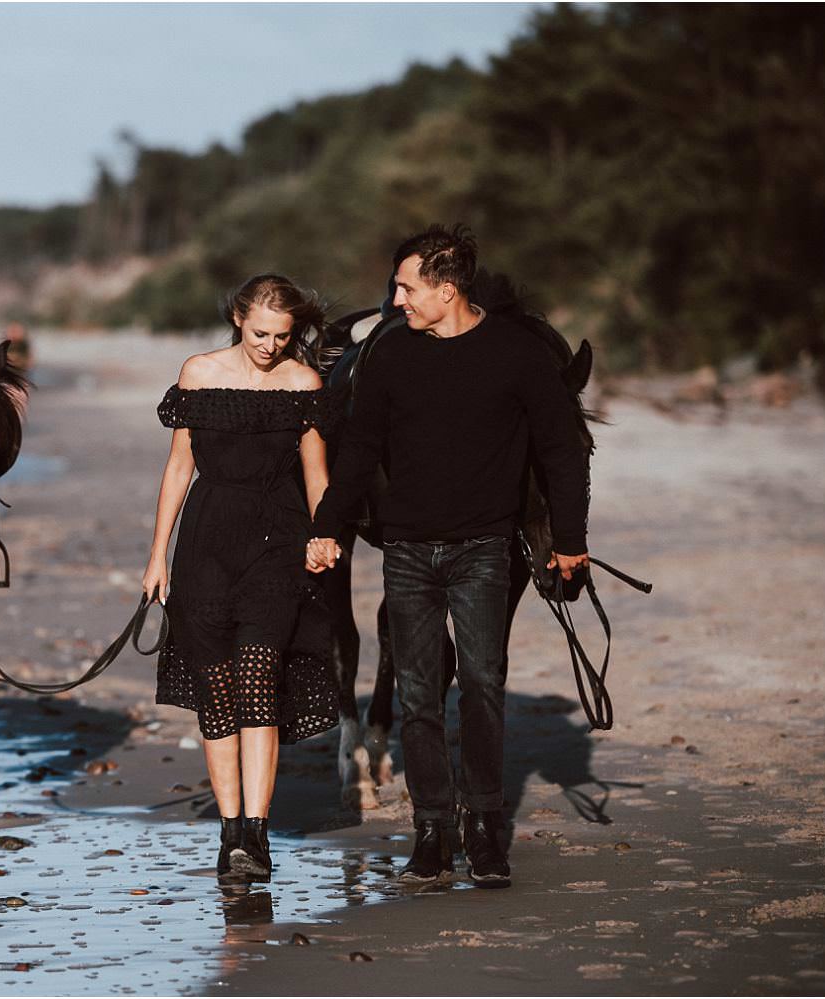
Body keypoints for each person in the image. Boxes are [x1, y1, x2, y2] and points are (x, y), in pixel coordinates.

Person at [306, 225, 589, 890]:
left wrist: (571, 541)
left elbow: (561, 451)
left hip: (484, 550)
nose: (395, 298)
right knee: (419, 694)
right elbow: (360, 451)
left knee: (483, 687)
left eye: (406, 287)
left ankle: (486, 828)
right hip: (405, 549)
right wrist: (327, 526)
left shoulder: (518, 354)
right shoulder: (392, 354)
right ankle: (432, 830)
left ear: (446, 288)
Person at [144, 273, 340, 882]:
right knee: (217, 692)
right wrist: (158, 555)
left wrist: (323, 534)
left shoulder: (303, 382)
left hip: (277, 542)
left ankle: (256, 835)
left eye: (282, 335)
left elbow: (317, 475)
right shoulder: (198, 373)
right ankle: (230, 833)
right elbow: (179, 468)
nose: (270, 345)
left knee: (259, 676)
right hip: (206, 542)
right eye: (261, 332)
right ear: (237, 317)